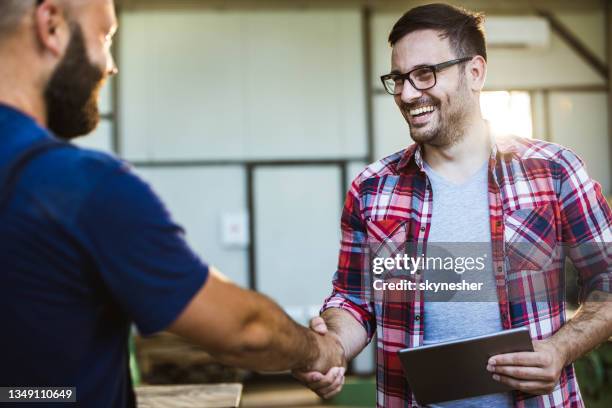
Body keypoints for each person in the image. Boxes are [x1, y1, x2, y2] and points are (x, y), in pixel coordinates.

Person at [0, 1, 345, 407]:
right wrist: (322, 350)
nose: (110, 65)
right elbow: (244, 331)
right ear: (52, 25)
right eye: (105, 38)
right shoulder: (80, 185)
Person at [294, 3, 612, 407]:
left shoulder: (555, 172)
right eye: (399, 79)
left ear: (475, 72)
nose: (408, 94)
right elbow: (354, 299)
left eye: (425, 75)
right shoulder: (372, 189)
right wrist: (332, 346)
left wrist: (560, 348)